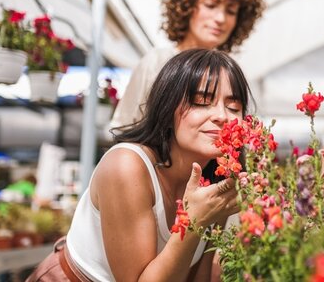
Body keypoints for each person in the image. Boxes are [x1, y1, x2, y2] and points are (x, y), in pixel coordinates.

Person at [27, 49, 252, 281]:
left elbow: (198, 278)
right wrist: (195, 220)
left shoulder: (219, 180)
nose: (222, 116)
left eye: (233, 107)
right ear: (168, 106)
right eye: (202, 101)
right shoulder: (127, 166)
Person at [111, 0, 265, 129]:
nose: (220, 18)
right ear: (187, 5)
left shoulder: (231, 74)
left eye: (231, 11)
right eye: (210, 5)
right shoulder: (157, 62)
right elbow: (123, 127)